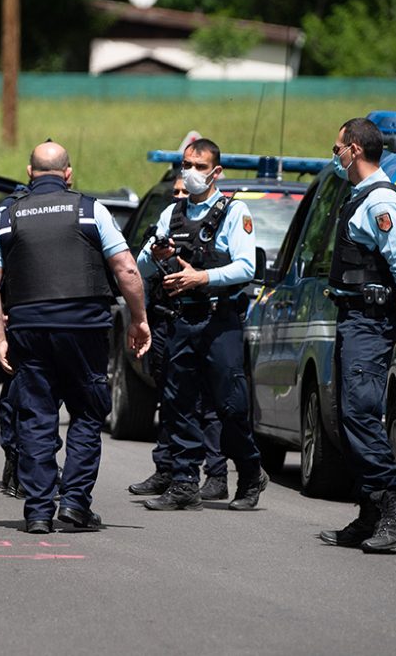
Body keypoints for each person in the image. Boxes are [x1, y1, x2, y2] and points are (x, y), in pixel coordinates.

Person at [0, 140, 151, 534]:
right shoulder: (92, 211)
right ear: (68, 174)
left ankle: (38, 511)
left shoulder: (5, 217)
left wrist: (0, 338)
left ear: (29, 172)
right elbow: (126, 269)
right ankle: (74, 504)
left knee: (36, 417)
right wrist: (139, 319)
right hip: (84, 330)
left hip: (28, 330)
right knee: (87, 414)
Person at [137, 138, 267, 512]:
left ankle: (249, 472)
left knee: (230, 405)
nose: (191, 173)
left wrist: (202, 278)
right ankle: (183, 482)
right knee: (178, 402)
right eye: (187, 165)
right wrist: (159, 254)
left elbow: (246, 266)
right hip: (182, 320)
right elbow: (143, 264)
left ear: (216, 172)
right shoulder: (171, 215)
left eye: (199, 166)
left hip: (219, 319)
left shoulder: (233, 211)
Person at [319, 117, 396, 553]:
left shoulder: (380, 202)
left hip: (369, 321)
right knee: (349, 418)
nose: (337, 155)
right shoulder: (360, 197)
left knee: (361, 414)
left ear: (355, 149)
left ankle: (394, 514)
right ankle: (369, 515)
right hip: (354, 319)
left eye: (338, 148)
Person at [129, 175, 229, 501]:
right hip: (165, 318)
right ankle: (168, 468)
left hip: (203, 318)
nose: (180, 196)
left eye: (185, 191)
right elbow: (140, 268)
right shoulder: (168, 222)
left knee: (207, 401)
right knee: (170, 397)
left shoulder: (217, 221)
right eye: (176, 192)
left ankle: (216, 473)